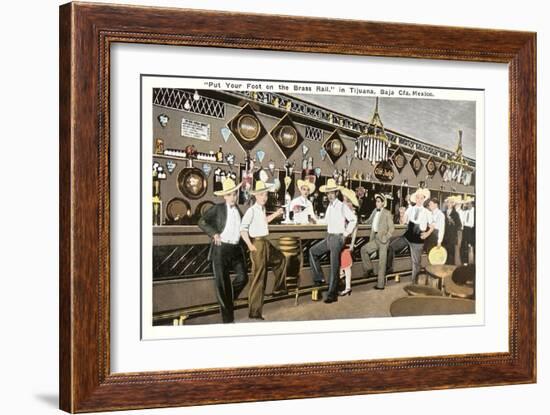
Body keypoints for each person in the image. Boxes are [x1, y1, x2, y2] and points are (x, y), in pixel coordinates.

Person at [198, 178, 248, 323]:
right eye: (231, 194)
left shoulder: (238, 209)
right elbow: (202, 221)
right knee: (222, 284)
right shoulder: (218, 208)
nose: (234, 197)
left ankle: (227, 302)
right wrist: (214, 233)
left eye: (235, 194)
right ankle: (228, 320)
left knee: (243, 278)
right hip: (221, 249)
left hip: (236, 249)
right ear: (225, 196)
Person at [240, 180, 287, 320]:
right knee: (259, 278)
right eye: (261, 195)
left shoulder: (261, 209)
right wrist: (250, 245)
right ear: (255, 196)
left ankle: (279, 289)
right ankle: (255, 312)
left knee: (281, 259)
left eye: (265, 194)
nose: (264, 197)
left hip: (265, 242)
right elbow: (243, 229)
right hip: (257, 244)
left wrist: (277, 213)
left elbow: (264, 221)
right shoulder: (251, 210)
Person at [310, 178, 357, 303]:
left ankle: (332, 295)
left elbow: (353, 219)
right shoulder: (330, 207)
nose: (330, 195)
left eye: (332, 192)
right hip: (330, 237)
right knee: (312, 251)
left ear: (336, 193)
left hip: (338, 238)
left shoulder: (342, 206)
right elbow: (325, 221)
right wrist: (315, 221)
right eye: (328, 193)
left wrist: (346, 234)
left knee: (334, 266)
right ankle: (319, 277)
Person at [388, 188, 433, 284]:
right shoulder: (410, 209)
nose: (419, 200)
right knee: (391, 246)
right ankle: (389, 268)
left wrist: (427, 233)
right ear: (415, 199)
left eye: (421, 198)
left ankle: (414, 283)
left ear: (424, 199)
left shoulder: (427, 212)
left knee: (416, 263)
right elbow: (403, 222)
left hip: (418, 239)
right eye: (417, 198)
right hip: (407, 236)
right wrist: (402, 214)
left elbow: (432, 226)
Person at [360, 194, 395, 290]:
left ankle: (380, 285)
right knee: (363, 250)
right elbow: (368, 221)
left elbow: (392, 228)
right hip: (375, 239)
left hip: (383, 241)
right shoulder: (375, 211)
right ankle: (369, 269)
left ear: (383, 203)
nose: (377, 203)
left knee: (382, 263)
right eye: (376, 201)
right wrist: (360, 222)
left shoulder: (387, 213)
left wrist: (385, 238)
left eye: (379, 201)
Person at [338, 187, 360, 296]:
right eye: (344, 200)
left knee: (346, 266)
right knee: (342, 265)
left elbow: (355, 230)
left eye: (346, 201)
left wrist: (352, 244)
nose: (344, 202)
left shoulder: (353, 214)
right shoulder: (344, 212)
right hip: (342, 241)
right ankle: (345, 285)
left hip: (348, 242)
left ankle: (347, 287)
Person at [442, 196, 462, 265]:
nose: (449, 203)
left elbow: (459, 225)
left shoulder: (456, 214)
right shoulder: (443, 213)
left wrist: (452, 222)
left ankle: (451, 271)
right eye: (448, 202)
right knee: (444, 254)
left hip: (452, 237)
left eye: (451, 202)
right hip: (444, 237)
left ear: (453, 204)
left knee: (451, 255)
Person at [460, 196, 475, 264]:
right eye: (467, 203)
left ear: (472, 204)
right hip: (465, 229)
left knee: (471, 246)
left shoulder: (475, 211)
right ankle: (465, 262)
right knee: (464, 247)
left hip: (472, 230)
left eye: (469, 203)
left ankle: (472, 263)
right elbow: (462, 221)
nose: (467, 205)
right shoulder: (465, 212)